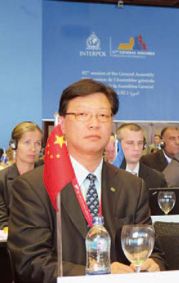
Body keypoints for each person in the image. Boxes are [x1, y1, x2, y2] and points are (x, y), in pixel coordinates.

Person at [8, 79, 165, 282]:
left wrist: (153, 264)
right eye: (82, 115)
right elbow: (31, 264)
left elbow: (155, 253)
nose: (94, 123)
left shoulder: (132, 186)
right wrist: (99, 274)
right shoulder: (33, 187)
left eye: (102, 115)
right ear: (62, 124)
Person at [116, 123, 167, 215]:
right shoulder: (107, 176)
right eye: (130, 143)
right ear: (118, 145)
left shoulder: (157, 179)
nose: (136, 148)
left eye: (140, 143)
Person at [0, 122, 43, 229]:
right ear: (14, 145)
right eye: (27, 142)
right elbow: (2, 221)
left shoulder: (49, 176)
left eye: (37, 143)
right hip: (13, 240)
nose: (33, 149)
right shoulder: (2, 180)